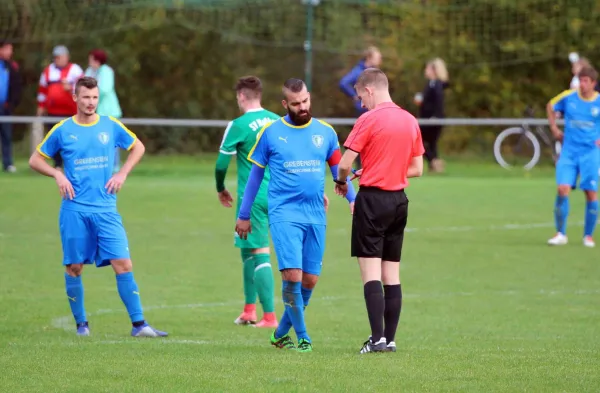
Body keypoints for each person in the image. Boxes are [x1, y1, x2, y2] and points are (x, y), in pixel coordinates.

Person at [28, 77, 167, 337]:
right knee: (75, 267)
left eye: (94, 98)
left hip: (106, 209)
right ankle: (82, 325)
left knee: (123, 263)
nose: (91, 102)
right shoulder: (62, 129)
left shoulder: (110, 126)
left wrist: (122, 173)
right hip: (74, 209)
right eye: (86, 97)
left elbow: (138, 147)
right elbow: (35, 160)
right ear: (75, 98)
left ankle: (139, 325)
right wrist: (57, 174)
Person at [235, 78, 356, 352]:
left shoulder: (325, 132)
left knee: (310, 279)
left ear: (309, 97)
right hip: (283, 213)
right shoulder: (270, 133)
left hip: (315, 213)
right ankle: (303, 337)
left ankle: (279, 334)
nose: (302, 107)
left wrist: (353, 199)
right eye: (295, 103)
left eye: (305, 101)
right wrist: (244, 215)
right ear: (284, 104)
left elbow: (339, 170)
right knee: (293, 275)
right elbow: (255, 176)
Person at [335, 68, 424, 354]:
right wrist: (379, 169)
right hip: (399, 201)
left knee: (370, 272)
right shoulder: (410, 120)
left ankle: (376, 340)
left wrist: (340, 181)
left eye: (361, 96)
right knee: (392, 273)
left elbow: (344, 164)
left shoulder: (369, 119)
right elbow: (417, 169)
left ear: (370, 90)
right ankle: (390, 338)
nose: (361, 103)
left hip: (372, 201)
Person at [215, 76, 280, 328]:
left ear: (241, 96)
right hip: (279, 194)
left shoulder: (238, 124)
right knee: (247, 250)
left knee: (259, 251)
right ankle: (249, 310)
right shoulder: (277, 121)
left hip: (253, 198)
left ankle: (270, 317)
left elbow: (221, 164)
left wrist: (220, 187)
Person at [547, 66, 600, 248]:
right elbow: (550, 105)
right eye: (581, 80)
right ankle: (561, 233)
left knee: (590, 192)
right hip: (569, 151)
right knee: (562, 189)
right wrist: (554, 128)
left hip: (590, 153)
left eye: (586, 81)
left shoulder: (598, 102)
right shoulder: (569, 97)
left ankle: (588, 236)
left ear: (593, 83)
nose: (582, 85)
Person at [37, 45, 83, 169]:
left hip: (71, 112)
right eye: (56, 57)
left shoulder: (75, 70)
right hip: (53, 112)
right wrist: (40, 107)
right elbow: (42, 91)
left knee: (71, 138)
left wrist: (71, 88)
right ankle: (57, 164)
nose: (58, 60)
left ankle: (72, 163)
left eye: (60, 57)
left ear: (67, 57)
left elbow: (83, 88)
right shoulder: (48, 71)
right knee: (56, 138)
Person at [339, 46, 383, 169]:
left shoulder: (373, 72)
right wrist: (354, 96)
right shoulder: (360, 71)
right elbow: (343, 82)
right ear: (369, 58)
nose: (380, 60)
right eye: (377, 57)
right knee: (361, 139)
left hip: (374, 110)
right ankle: (360, 167)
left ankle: (371, 165)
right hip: (363, 111)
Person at [85, 49, 123, 173]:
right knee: (94, 139)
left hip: (109, 111)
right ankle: (97, 165)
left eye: (91, 59)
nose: (89, 62)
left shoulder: (106, 71)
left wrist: (89, 93)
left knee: (110, 139)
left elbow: (105, 89)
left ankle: (114, 166)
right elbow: (83, 85)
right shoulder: (90, 71)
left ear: (97, 60)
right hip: (94, 112)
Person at [414, 58, 449, 173]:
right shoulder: (430, 84)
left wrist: (436, 116)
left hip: (433, 119)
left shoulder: (436, 84)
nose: (425, 71)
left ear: (434, 70)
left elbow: (439, 102)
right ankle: (434, 165)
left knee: (418, 140)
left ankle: (434, 162)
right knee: (431, 144)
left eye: (428, 68)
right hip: (427, 118)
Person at [0, 40, 21, 173]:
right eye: (7, 49)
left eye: (11, 49)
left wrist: (12, 104)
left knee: (6, 135)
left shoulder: (11, 66)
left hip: (5, 107)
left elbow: (16, 87)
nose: (10, 52)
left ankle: (8, 164)